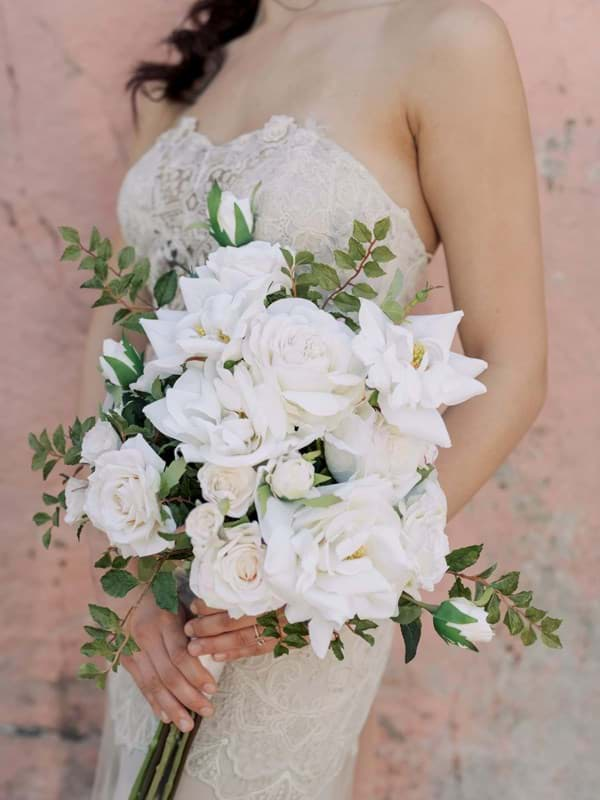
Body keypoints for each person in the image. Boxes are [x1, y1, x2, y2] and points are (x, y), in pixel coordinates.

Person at [85, 1, 547, 797]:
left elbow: (512, 368)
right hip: (159, 611)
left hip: (298, 613)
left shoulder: (446, 42)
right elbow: (116, 347)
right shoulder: (183, 81)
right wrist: (129, 582)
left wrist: (332, 572)